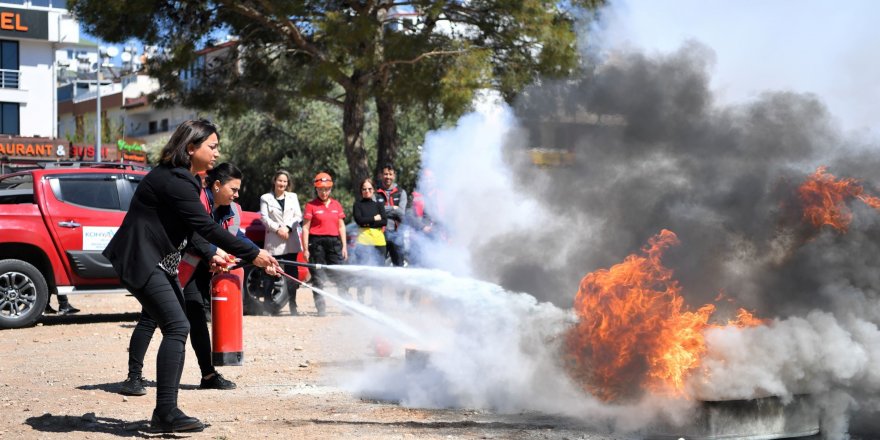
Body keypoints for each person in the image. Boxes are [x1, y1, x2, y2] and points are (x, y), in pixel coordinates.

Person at [103, 120, 278, 433]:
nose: (216, 153)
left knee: (178, 323)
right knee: (177, 325)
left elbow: (194, 231)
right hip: (141, 259)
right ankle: (165, 412)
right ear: (190, 148)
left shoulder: (184, 179)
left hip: (157, 260)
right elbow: (207, 228)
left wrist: (215, 253)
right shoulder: (177, 181)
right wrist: (253, 254)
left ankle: (166, 411)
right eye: (212, 146)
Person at [119, 163, 254, 399]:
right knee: (150, 319)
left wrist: (259, 254)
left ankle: (208, 375)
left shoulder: (230, 209)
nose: (237, 194)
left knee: (196, 317)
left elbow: (234, 237)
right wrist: (213, 252)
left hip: (196, 270)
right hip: (168, 265)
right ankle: (133, 377)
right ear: (217, 185)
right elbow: (196, 233)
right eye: (233, 189)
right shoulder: (196, 197)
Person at [301, 172, 347, 316]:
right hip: (316, 244)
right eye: (321, 189)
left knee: (340, 275)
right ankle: (321, 309)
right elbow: (305, 228)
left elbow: (341, 226)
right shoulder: (311, 206)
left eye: (326, 189)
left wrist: (344, 246)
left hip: (334, 243)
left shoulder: (336, 205)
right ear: (316, 189)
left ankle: (346, 307)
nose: (324, 192)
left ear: (331, 188)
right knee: (318, 277)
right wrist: (305, 248)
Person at [259, 170, 303, 315]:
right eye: (280, 180)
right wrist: (278, 229)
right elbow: (265, 218)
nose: (282, 184)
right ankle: (267, 304)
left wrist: (288, 228)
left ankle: (293, 305)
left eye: (285, 181)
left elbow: (298, 215)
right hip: (274, 240)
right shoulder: (265, 198)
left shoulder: (293, 197)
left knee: (291, 274)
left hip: (290, 240)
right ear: (274, 181)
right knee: (270, 272)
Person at [351, 178, 387, 303]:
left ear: (374, 190)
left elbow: (384, 221)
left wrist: (367, 221)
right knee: (362, 273)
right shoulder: (357, 205)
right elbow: (359, 220)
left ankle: (377, 302)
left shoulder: (379, 205)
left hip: (379, 243)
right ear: (361, 191)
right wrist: (374, 219)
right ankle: (360, 301)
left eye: (369, 189)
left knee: (378, 274)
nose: (367, 191)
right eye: (364, 189)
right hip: (363, 243)